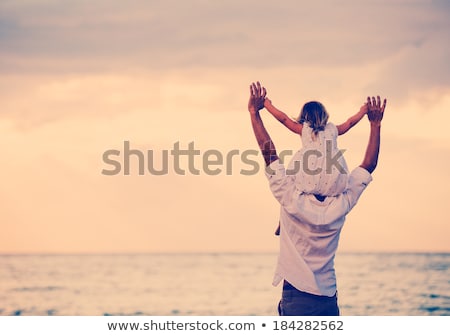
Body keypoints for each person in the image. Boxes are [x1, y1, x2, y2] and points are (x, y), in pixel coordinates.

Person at [247, 81, 386, 316]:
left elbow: (269, 152)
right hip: (328, 298)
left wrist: (256, 112)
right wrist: (375, 123)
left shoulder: (290, 197)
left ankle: (283, 223)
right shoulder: (341, 203)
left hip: (297, 296)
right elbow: (368, 165)